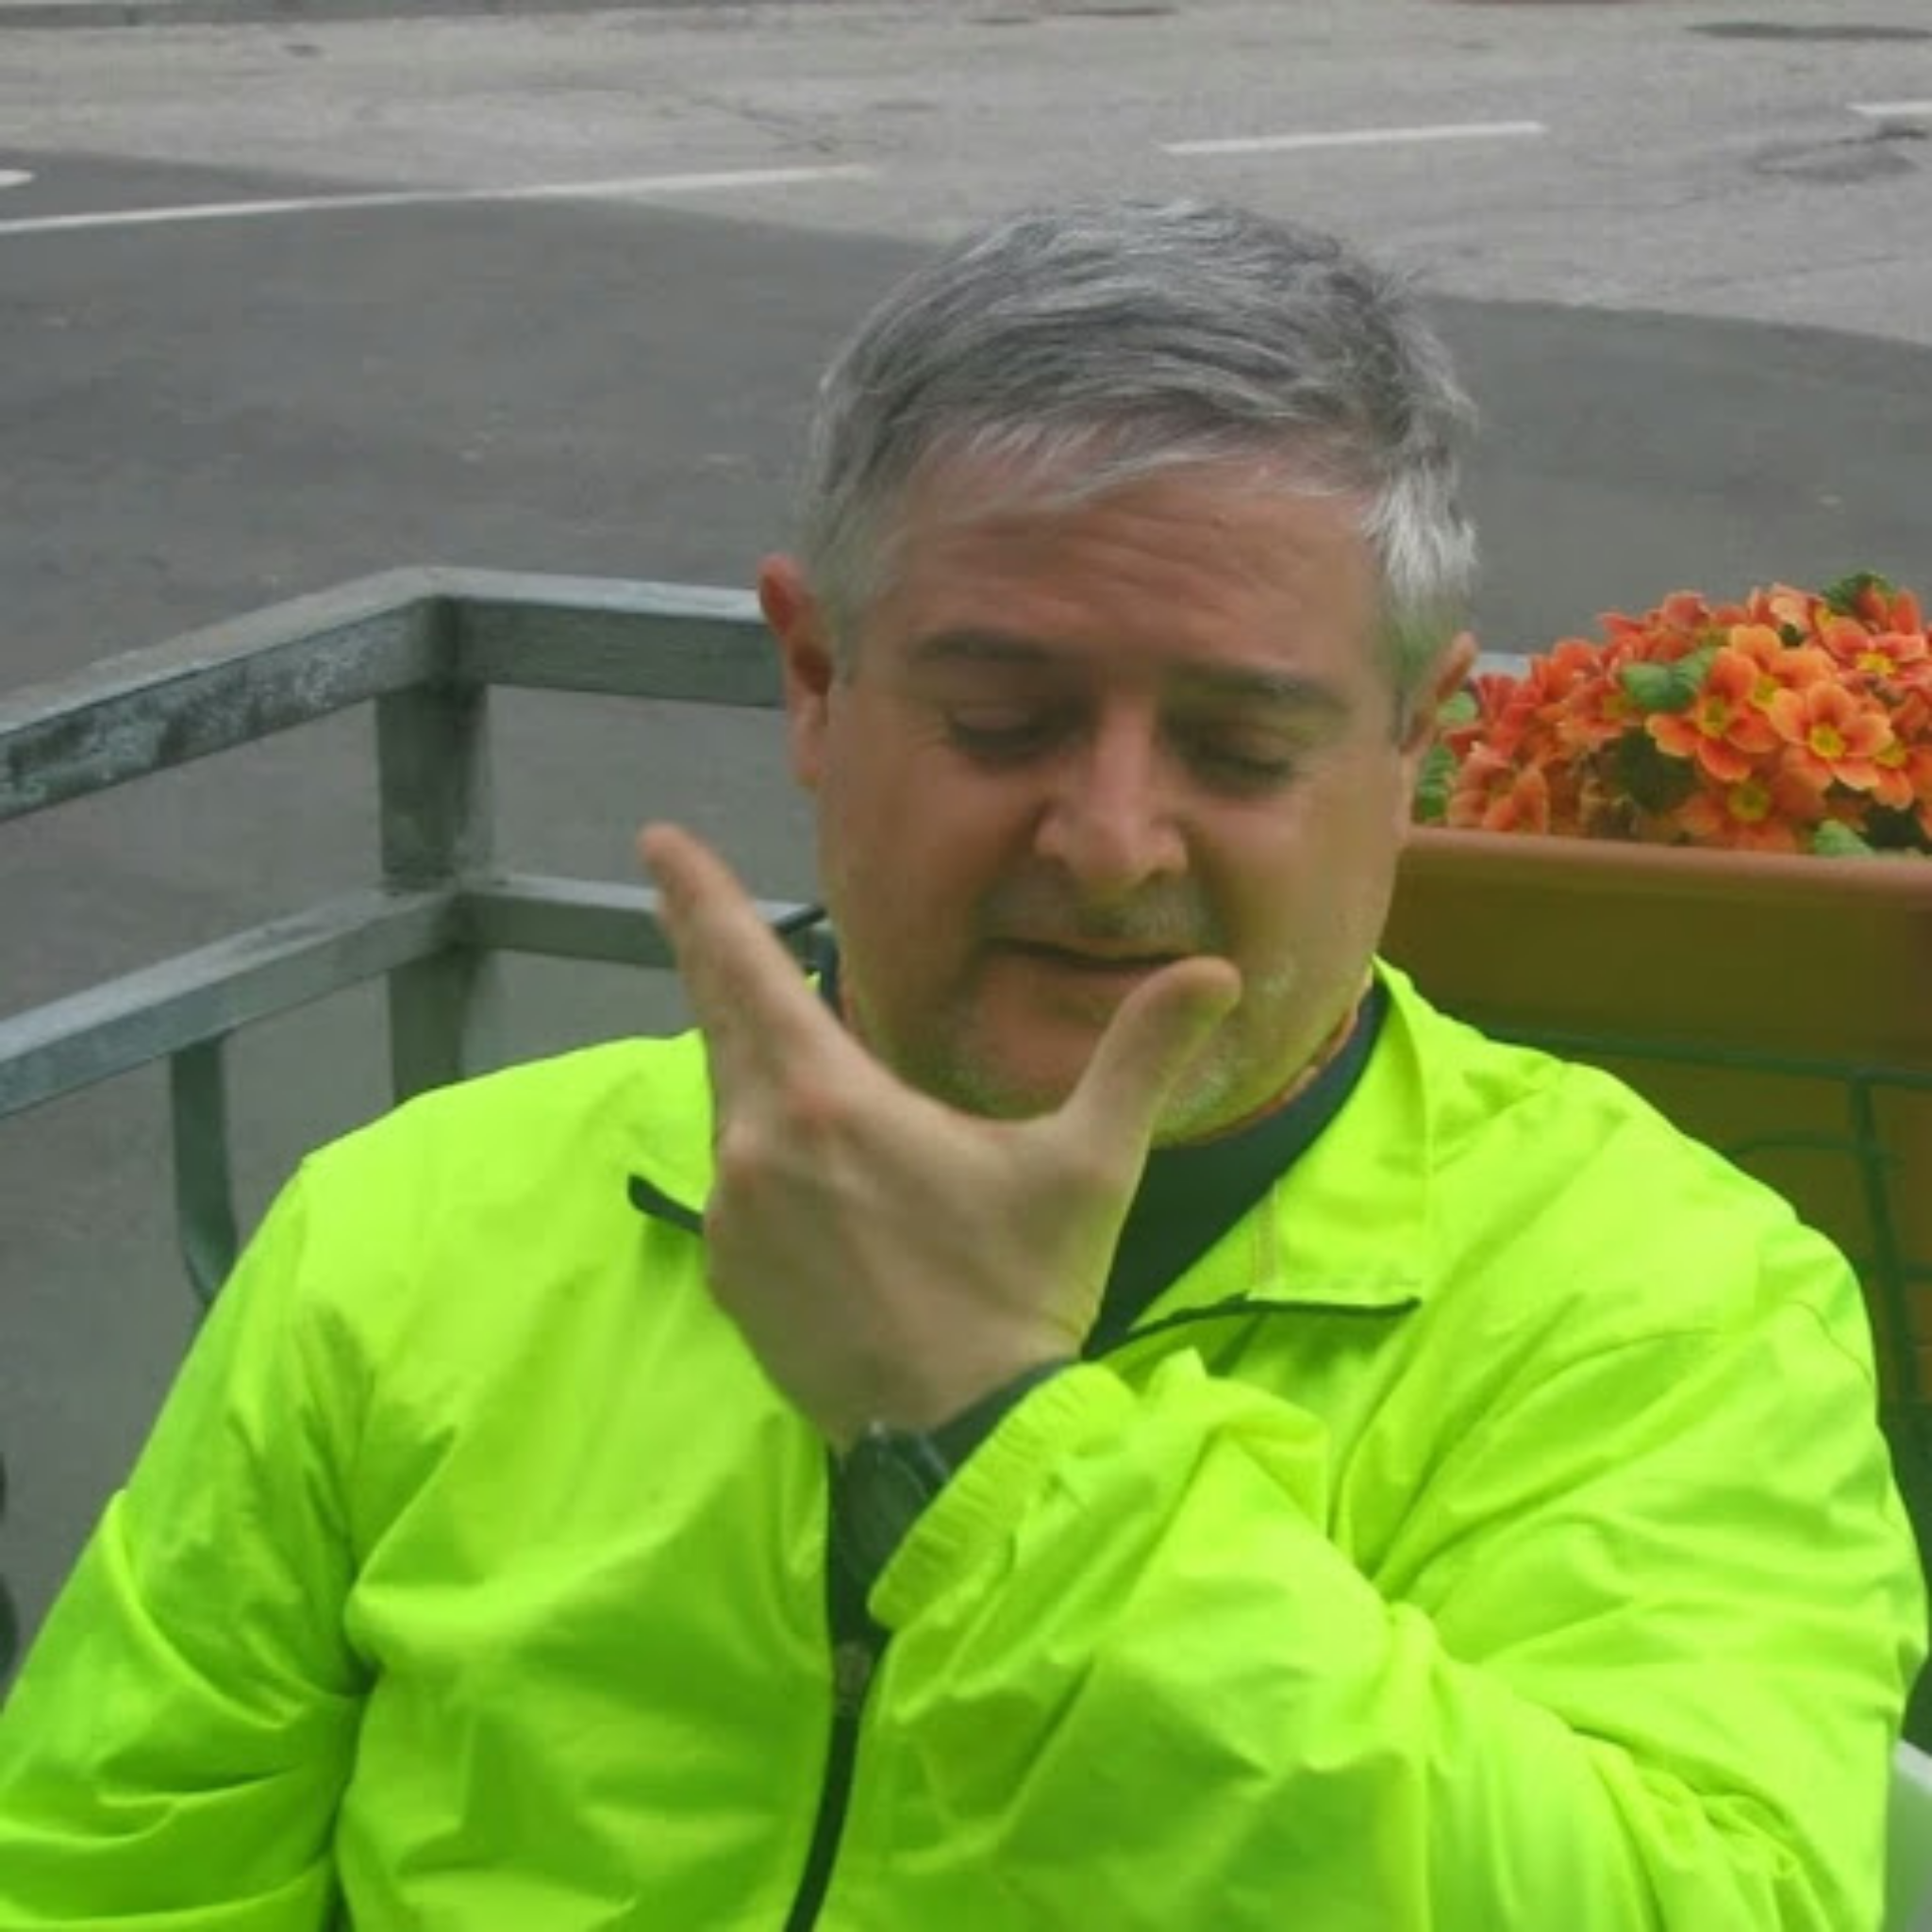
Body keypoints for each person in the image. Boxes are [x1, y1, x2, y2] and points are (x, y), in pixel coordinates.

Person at [0, 199, 1921, 1929]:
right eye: (1003, 720)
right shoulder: (407, 1237)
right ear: (813, 680)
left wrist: (996, 1440)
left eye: (1240, 750)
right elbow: (103, 1873)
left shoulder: (1668, 1305)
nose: (1111, 842)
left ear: (1415, 741)